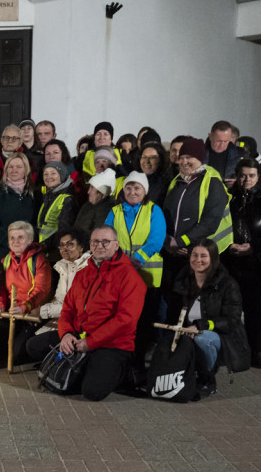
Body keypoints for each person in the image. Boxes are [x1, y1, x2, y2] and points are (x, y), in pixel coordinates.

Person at [52, 226, 146, 401]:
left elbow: (126, 320)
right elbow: (67, 310)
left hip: (113, 343)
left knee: (92, 392)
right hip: (81, 336)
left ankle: (123, 371)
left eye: (105, 242)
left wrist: (91, 342)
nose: (100, 245)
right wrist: (65, 334)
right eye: (95, 241)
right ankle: (86, 365)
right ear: (90, 245)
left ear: (116, 245)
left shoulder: (129, 276)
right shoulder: (82, 274)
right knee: (34, 346)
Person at [168, 239, 249, 399]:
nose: (198, 260)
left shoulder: (227, 284)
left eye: (203, 256)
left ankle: (207, 380)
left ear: (213, 258)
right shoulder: (184, 279)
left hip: (222, 335)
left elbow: (232, 320)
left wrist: (200, 326)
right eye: (194, 255)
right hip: (189, 329)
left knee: (202, 339)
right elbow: (174, 311)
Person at [223, 158, 261, 366]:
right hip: (229, 263)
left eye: (251, 175)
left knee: (253, 311)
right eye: (242, 175)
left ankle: (254, 350)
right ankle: (230, 349)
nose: (246, 179)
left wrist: (253, 247)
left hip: (254, 265)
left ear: (258, 177)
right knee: (230, 308)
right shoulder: (228, 199)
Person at [106, 170, 167, 373]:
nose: (132, 192)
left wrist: (136, 259)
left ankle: (139, 364)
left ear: (145, 191)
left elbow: (156, 240)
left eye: (137, 188)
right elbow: (106, 238)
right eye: (129, 188)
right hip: (121, 276)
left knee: (144, 321)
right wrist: (123, 262)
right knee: (122, 319)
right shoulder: (115, 212)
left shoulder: (154, 210)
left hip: (147, 277)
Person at [161, 137, 233, 309]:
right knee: (173, 302)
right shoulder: (177, 181)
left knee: (193, 306)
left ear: (200, 158)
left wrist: (180, 242)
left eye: (189, 157)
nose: (184, 161)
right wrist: (168, 242)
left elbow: (211, 222)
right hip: (175, 253)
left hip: (198, 255)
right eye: (182, 157)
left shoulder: (211, 181)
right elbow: (166, 215)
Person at [0, 221, 52, 365]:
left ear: (30, 240)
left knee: (18, 355)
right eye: (12, 238)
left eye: (20, 237)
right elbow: (1, 288)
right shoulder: (6, 260)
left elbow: (41, 290)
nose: (15, 241)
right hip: (11, 312)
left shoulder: (39, 261)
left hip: (30, 314)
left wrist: (25, 307)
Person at [27, 228, 91, 359]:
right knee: (25, 342)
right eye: (61, 245)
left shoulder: (88, 268)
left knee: (32, 346)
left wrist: (42, 311)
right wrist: (37, 311)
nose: (64, 249)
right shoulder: (63, 267)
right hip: (62, 321)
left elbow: (75, 307)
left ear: (81, 247)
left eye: (70, 244)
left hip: (79, 327)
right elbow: (59, 300)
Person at [0, 154, 35, 262]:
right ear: (6, 170)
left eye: (19, 167)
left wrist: (26, 243)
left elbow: (36, 223)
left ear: (26, 170)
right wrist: (12, 243)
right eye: (10, 167)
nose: (14, 170)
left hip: (28, 253)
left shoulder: (34, 194)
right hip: (1, 253)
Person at [36, 161, 75, 259]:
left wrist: (46, 245)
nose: (49, 177)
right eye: (46, 174)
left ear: (61, 175)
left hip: (56, 252)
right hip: (45, 251)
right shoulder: (48, 196)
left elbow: (64, 229)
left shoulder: (67, 199)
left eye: (53, 173)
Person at [73, 169, 117, 236]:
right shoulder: (88, 205)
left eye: (92, 187)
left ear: (102, 192)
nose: (88, 192)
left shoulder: (107, 211)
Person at [204, 121, 244, 186]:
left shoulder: (239, 156)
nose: (222, 145)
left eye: (225, 141)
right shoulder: (198, 155)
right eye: (218, 141)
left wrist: (237, 183)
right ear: (210, 136)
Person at [136, 142, 169, 206]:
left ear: (161, 160)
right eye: (144, 157)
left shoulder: (164, 183)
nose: (147, 161)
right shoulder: (134, 179)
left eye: (152, 157)